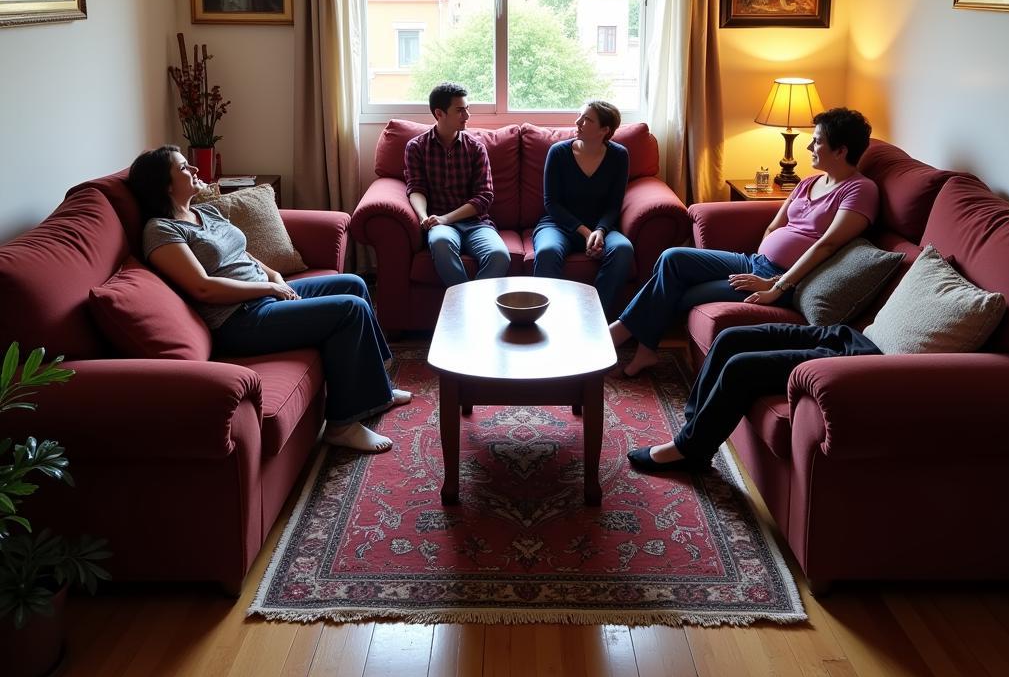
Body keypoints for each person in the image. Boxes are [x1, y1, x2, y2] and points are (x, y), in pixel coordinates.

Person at [128, 145, 409, 454]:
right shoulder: (161, 231)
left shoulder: (203, 211)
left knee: (354, 284)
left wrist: (273, 276)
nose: (194, 170)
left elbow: (240, 252)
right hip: (239, 319)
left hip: (264, 295)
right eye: (183, 168)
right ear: (164, 185)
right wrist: (268, 290)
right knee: (349, 310)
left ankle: (375, 385)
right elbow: (202, 288)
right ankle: (341, 426)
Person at [612, 107, 878, 378]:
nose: (809, 145)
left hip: (785, 279)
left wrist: (776, 285)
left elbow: (828, 245)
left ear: (841, 150)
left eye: (818, 140)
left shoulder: (860, 190)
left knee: (683, 291)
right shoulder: (808, 182)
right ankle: (640, 344)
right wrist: (759, 262)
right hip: (755, 262)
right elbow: (775, 226)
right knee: (673, 257)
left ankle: (626, 337)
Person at [626, 321, 881, 472]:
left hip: (863, 363)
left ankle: (688, 450)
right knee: (729, 338)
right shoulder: (919, 261)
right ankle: (695, 430)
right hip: (846, 335)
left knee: (740, 368)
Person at [532, 100, 634, 318]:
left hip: (600, 226)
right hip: (558, 225)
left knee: (623, 249)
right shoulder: (558, 152)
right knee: (547, 252)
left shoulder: (619, 155)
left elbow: (614, 203)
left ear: (604, 130)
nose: (577, 122)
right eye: (580, 115)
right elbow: (551, 203)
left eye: (587, 119)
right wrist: (587, 233)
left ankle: (594, 319)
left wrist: (600, 230)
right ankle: (550, 321)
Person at [404, 81, 511, 286]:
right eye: (460, 110)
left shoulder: (476, 148)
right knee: (440, 242)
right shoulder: (416, 147)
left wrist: (446, 218)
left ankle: (466, 305)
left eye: (467, 109)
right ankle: (464, 305)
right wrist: (424, 217)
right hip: (439, 224)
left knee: (499, 256)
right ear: (439, 113)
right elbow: (416, 188)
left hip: (476, 222)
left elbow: (484, 197)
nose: (467, 116)